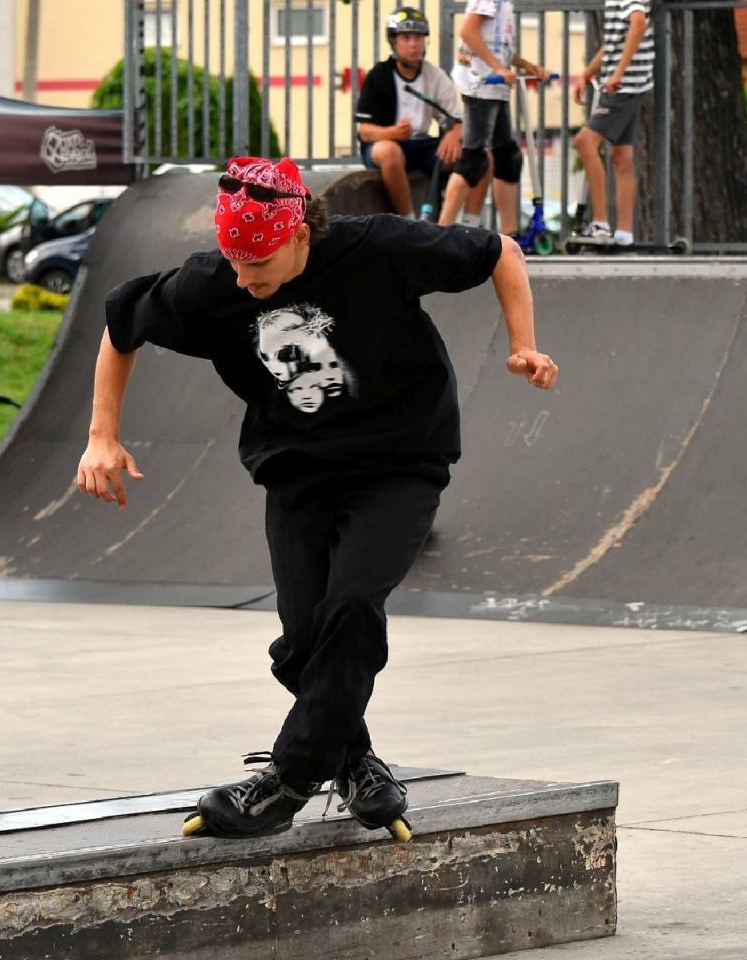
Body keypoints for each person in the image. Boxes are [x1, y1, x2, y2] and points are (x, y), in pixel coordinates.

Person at [77, 157, 557, 839]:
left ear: (301, 234)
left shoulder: (381, 248)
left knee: (354, 605)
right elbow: (122, 322)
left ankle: (292, 776)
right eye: (236, 264)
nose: (246, 281)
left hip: (400, 461)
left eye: (260, 265)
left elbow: (500, 251)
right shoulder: (215, 282)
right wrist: (102, 435)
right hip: (298, 471)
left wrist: (524, 345)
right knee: (303, 643)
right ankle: (354, 758)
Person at [437, 0, 546, 233]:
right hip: (481, 84)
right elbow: (468, 31)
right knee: (474, 160)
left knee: (507, 158)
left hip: (495, 87)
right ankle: (440, 233)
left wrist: (526, 65)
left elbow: (499, 46)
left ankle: (509, 235)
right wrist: (498, 68)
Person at [355, 6, 464, 218]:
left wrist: (453, 134)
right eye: (406, 38)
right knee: (389, 152)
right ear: (394, 43)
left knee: (476, 156)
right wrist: (392, 133)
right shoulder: (379, 75)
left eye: (418, 37)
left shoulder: (435, 75)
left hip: (421, 145)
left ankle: (456, 224)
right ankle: (409, 221)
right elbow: (365, 132)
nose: (413, 44)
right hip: (387, 145)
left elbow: (457, 117)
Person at [573, 0, 655, 246]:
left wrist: (619, 72)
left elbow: (638, 24)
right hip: (623, 84)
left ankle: (600, 224)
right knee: (621, 157)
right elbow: (615, 42)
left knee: (585, 143)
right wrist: (589, 72)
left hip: (624, 85)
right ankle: (625, 234)